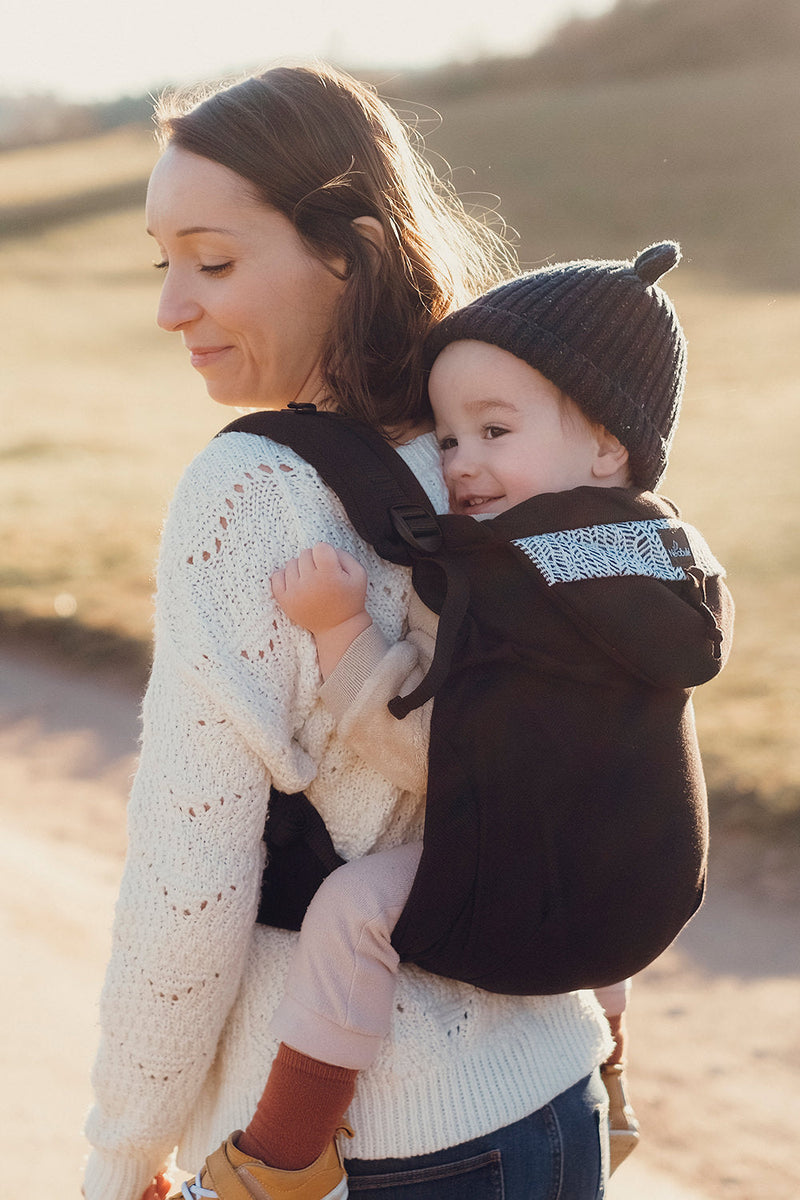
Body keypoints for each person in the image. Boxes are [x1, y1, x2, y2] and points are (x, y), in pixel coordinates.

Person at [84, 63, 615, 1200]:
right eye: (162, 261)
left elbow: (191, 880)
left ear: (348, 252)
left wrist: (124, 1153)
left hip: (364, 1154)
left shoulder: (246, 495)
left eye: (213, 262)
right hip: (553, 1100)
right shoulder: (506, 446)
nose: (173, 306)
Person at [250, 242, 729, 1194]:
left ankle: (283, 1151)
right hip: (643, 878)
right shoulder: (657, 549)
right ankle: (611, 1070)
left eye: (494, 430)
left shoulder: (515, 583)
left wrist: (343, 632)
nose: (461, 466)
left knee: (352, 912)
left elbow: (442, 753)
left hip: (535, 869)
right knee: (601, 846)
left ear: (607, 444)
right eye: (449, 436)